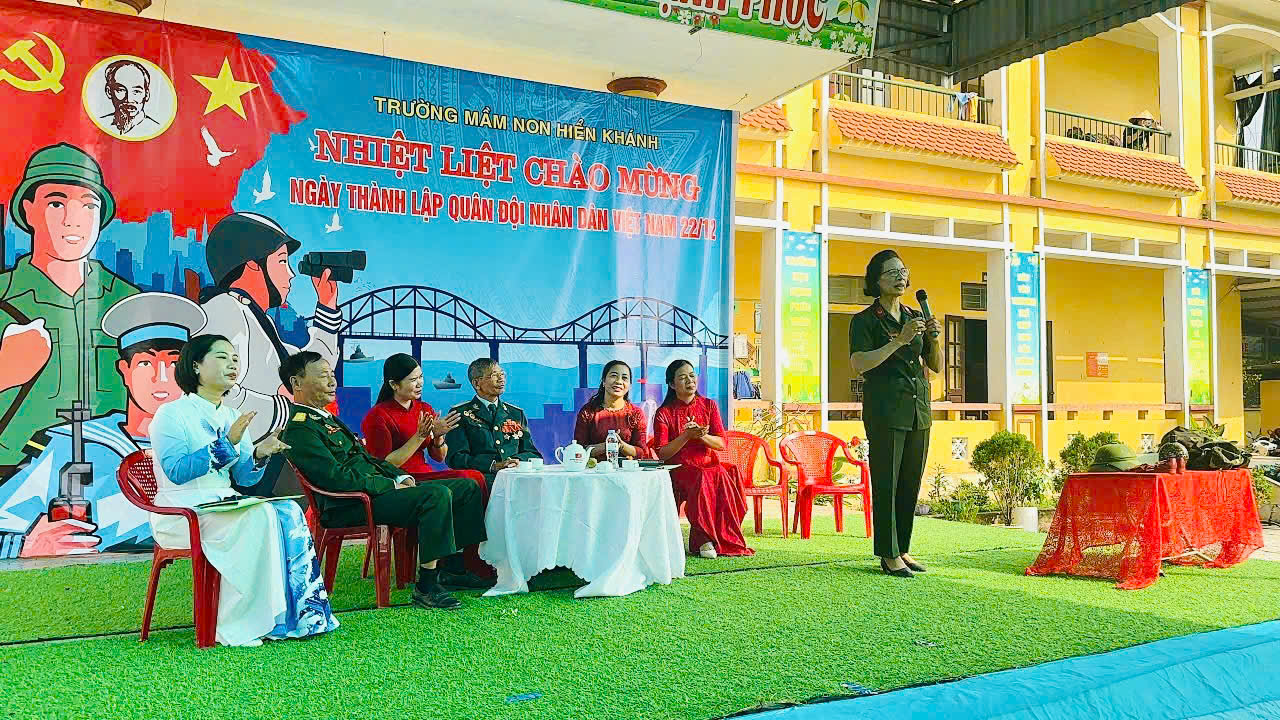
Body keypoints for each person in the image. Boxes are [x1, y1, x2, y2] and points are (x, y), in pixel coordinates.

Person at [149, 334, 338, 646]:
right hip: (183, 511)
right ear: (196, 365)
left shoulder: (232, 416)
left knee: (288, 511)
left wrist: (261, 453)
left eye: (235, 358)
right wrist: (226, 444)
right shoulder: (171, 414)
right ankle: (239, 623)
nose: (232, 364)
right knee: (260, 515)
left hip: (223, 503)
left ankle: (294, 617)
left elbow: (245, 478)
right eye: (222, 357)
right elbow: (177, 472)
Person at [280, 351, 490, 611]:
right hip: (351, 504)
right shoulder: (300, 428)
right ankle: (427, 586)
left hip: (374, 491)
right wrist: (390, 484)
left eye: (332, 375)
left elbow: (368, 461)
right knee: (435, 495)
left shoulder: (324, 419)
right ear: (296, 383)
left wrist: (400, 476)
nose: (333, 382)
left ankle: (458, 565)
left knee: (467, 486)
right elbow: (336, 479)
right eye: (324, 376)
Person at [0, 293, 205, 559]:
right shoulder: (73, 444)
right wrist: (26, 544)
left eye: (174, 364)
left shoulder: (204, 443)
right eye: (146, 363)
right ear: (125, 370)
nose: (161, 377)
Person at [0, 143, 140, 468]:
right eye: (56, 203)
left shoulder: (128, 302)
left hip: (115, 474)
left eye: (89, 205)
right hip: (12, 477)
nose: (73, 220)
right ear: (28, 210)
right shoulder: (5, 296)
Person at [200, 212, 341, 444]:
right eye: (282, 261)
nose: (291, 274)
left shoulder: (254, 317)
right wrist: (286, 409)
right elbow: (216, 393)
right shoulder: (225, 310)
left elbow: (312, 368)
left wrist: (327, 304)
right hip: (247, 458)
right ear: (253, 265)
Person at [848, 250, 941, 578]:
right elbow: (859, 363)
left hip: (918, 409)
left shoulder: (914, 315)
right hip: (886, 409)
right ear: (876, 281)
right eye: (891, 273)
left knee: (909, 482)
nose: (900, 277)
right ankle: (888, 554)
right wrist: (899, 341)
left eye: (903, 271)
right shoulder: (865, 320)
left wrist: (933, 339)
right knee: (887, 482)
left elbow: (936, 366)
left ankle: (902, 548)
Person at [362, 353, 493, 580]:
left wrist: (439, 437)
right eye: (413, 380)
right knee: (469, 478)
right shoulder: (378, 416)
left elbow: (439, 457)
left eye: (421, 377)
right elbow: (384, 465)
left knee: (474, 477)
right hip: (403, 481)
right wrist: (420, 436)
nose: (420, 383)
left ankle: (467, 555)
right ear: (394, 384)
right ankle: (458, 560)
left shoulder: (424, 408)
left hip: (426, 474)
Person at [652, 359, 754, 559]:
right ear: (672, 384)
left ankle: (723, 537)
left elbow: (721, 443)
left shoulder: (709, 405)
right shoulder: (664, 413)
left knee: (723, 471)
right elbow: (662, 453)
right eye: (683, 377)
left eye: (692, 375)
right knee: (704, 476)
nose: (689, 380)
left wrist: (701, 436)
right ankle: (703, 539)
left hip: (708, 465)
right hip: (679, 468)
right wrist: (686, 436)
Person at [445, 358, 541, 487]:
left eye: (502, 374)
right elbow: (455, 458)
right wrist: (493, 465)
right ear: (477, 383)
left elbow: (532, 453)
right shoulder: (460, 414)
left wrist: (516, 462)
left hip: (516, 477)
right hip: (482, 480)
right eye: (494, 375)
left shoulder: (515, 413)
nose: (501, 379)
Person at [573, 360, 654, 460]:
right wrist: (607, 445)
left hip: (626, 469)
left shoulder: (635, 413)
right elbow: (578, 450)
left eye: (624, 378)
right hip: (594, 469)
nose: (619, 381)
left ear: (629, 385)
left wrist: (621, 445)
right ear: (604, 381)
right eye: (613, 376)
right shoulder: (588, 412)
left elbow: (642, 452)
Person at [101, 59, 162, 138]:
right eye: (121, 90)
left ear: (146, 94)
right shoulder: (100, 124)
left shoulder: (156, 129)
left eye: (136, 91)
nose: (129, 99)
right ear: (109, 92)